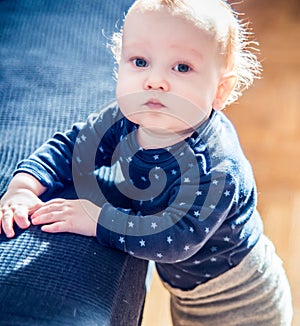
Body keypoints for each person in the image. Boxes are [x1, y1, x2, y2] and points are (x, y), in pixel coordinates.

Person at [0, 0, 293, 324]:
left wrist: (99, 220)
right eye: (140, 61)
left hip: (241, 300)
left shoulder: (217, 167)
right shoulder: (128, 117)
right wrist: (24, 186)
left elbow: (176, 237)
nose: (155, 80)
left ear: (220, 90)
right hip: (188, 293)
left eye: (181, 67)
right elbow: (72, 147)